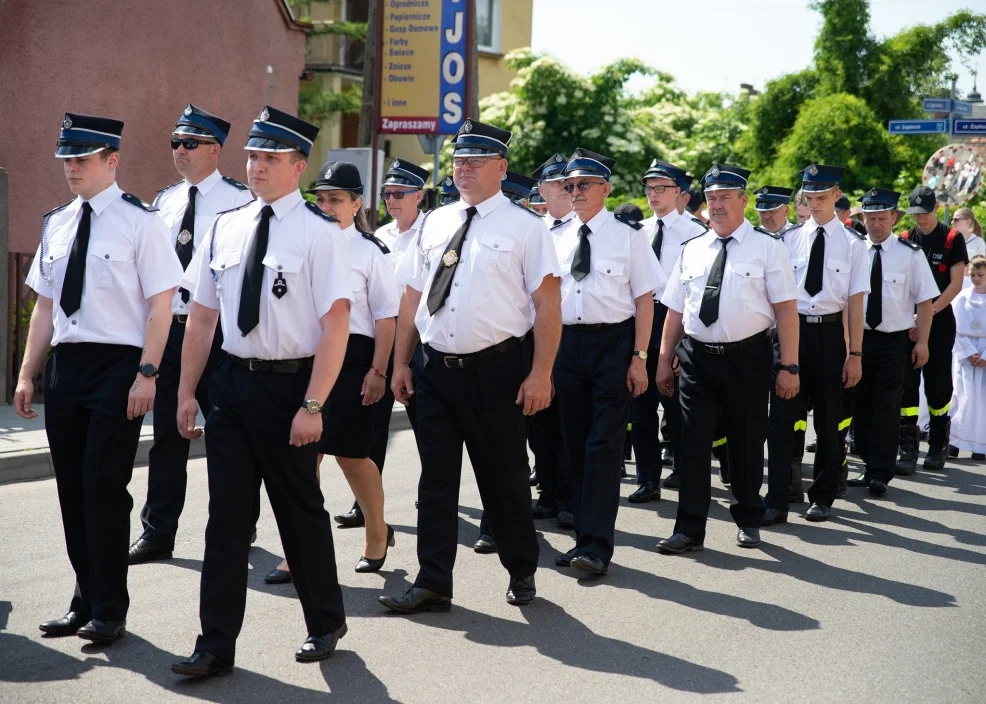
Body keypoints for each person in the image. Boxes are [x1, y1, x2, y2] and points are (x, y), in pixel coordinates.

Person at [170, 105, 352, 676]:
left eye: (270, 158)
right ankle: (215, 645)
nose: (256, 166)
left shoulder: (321, 234)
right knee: (225, 518)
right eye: (252, 156)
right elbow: (200, 317)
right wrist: (186, 392)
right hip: (230, 384)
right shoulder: (226, 225)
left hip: (291, 387)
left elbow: (336, 325)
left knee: (299, 511)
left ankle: (325, 621)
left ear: (298, 166)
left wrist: (314, 404)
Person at [379, 119, 562, 613]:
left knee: (502, 478)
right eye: (459, 160)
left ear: (501, 167)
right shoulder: (435, 222)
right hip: (435, 369)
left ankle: (521, 568)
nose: (464, 168)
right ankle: (433, 578)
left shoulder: (525, 228)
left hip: (497, 371)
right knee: (435, 480)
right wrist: (401, 363)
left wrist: (541, 372)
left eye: (476, 161)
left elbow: (547, 305)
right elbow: (414, 295)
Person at [15, 113, 182, 643]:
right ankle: (84, 598)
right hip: (68, 367)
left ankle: (110, 608)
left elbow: (161, 306)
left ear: (112, 160)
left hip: (119, 366)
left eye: (82, 158)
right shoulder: (58, 222)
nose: (71, 168)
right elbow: (44, 307)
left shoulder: (142, 222)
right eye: (66, 158)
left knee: (104, 488)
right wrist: (26, 374)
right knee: (71, 488)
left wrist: (148, 374)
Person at [129, 104, 255, 565]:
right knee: (167, 436)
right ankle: (158, 531)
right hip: (172, 332)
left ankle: (237, 527)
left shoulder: (241, 200)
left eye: (190, 143)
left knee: (228, 437)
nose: (180, 151)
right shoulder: (165, 201)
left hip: (220, 337)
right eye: (175, 143)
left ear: (215, 149)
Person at [265, 161, 399, 584]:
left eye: (335, 199)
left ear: (356, 203)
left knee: (351, 456)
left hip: (355, 358)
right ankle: (298, 549)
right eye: (319, 198)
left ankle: (377, 530)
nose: (325, 206)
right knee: (303, 457)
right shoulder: (301, 242)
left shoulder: (369, 251)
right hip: (310, 356)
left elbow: (385, 318)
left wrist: (379, 370)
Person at [656, 164, 799, 553]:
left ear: (744, 201)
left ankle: (749, 518)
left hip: (748, 357)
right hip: (697, 359)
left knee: (747, 442)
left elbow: (786, 310)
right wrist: (663, 358)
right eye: (712, 198)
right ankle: (689, 528)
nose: (717, 205)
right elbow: (674, 310)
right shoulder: (692, 249)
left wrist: (789, 365)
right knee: (692, 444)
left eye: (725, 197)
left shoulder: (769, 248)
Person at [551, 148, 665, 576]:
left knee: (603, 447)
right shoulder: (557, 236)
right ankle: (583, 538)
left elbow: (645, 300)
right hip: (567, 345)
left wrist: (639, 357)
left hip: (613, 345)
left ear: (605, 189)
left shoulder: (628, 236)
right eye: (570, 185)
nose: (575, 192)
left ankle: (598, 546)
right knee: (576, 445)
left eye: (583, 185)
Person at [326, 158, 428, 531]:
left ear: (419, 195)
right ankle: (365, 506)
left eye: (400, 193)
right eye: (387, 194)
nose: (392, 200)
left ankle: (433, 495)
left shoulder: (431, 234)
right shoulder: (382, 237)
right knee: (372, 429)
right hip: (379, 342)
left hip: (417, 340)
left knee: (428, 429)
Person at [763, 164, 868, 525]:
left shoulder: (854, 245)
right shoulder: (788, 240)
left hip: (829, 336)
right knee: (780, 421)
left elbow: (855, 305)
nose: (816, 204)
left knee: (828, 422)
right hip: (792, 335)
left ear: (837, 195)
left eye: (822, 197)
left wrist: (855, 354)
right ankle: (776, 498)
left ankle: (822, 496)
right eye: (810, 197)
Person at [844, 189, 937, 496]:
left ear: (894, 218)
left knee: (886, 406)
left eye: (882, 218)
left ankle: (881, 472)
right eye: (870, 219)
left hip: (893, 341)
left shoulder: (910, 254)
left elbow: (925, 301)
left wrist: (922, 341)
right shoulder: (853, 250)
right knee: (861, 404)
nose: (875, 225)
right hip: (858, 338)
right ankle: (869, 465)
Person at [628, 159, 705, 505]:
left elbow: (696, 292)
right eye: (649, 188)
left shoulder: (697, 233)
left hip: (678, 321)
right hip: (644, 317)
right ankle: (648, 478)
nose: (653, 195)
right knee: (641, 404)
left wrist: (682, 340)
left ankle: (685, 470)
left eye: (661, 189)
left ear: (680, 194)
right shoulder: (638, 231)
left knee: (676, 405)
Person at [895, 186, 969, 473]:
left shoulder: (952, 238)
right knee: (907, 384)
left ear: (936, 208)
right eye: (915, 214)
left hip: (938, 319)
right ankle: (907, 447)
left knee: (938, 383)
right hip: (907, 321)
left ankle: (938, 442)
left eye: (925, 213)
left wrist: (927, 314)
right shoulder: (904, 239)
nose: (921, 220)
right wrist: (911, 318)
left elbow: (955, 285)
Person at [529, 153, 576, 530]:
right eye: (555, 184)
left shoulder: (584, 227)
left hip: (574, 337)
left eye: (567, 183)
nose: (563, 189)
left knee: (569, 421)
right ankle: (547, 490)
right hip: (533, 336)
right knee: (538, 421)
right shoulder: (533, 228)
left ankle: (571, 497)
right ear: (542, 189)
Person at [948, 255, 986, 460]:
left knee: (981, 401)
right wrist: (968, 351)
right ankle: (954, 441)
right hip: (966, 354)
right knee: (961, 397)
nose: (976, 278)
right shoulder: (962, 298)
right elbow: (955, 329)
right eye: (973, 274)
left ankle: (980, 446)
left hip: (984, 353)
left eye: (981, 274)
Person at [952, 207, 985, 288]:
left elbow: (983, 268)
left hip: (971, 286)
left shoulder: (978, 242)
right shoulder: (950, 240)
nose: (952, 222)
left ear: (968, 221)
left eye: (956, 219)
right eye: (952, 219)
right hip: (952, 285)